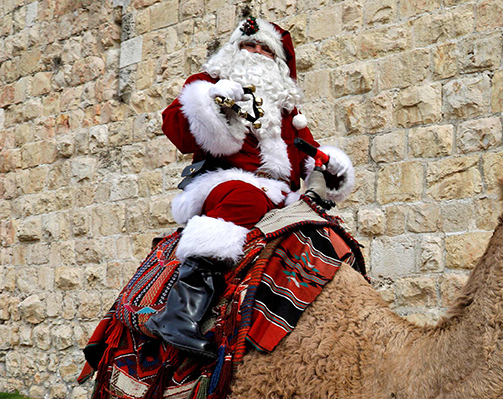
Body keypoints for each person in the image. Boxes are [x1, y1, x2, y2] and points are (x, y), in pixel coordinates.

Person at [145, 16, 355, 358]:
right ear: (235, 49)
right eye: (249, 45)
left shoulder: (289, 112)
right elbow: (178, 131)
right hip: (225, 182)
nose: (257, 52)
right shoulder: (207, 83)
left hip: (281, 197)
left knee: (328, 234)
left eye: (265, 49)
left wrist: (330, 168)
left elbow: (308, 155)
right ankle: (179, 314)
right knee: (245, 199)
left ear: (277, 61)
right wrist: (212, 102)